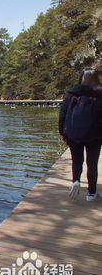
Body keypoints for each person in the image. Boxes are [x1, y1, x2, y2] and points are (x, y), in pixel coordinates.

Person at [59, 69, 102, 201]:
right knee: (92, 163)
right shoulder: (99, 95)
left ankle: (76, 181)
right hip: (94, 135)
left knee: (77, 160)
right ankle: (91, 193)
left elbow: (62, 115)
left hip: (73, 134)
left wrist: (63, 132)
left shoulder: (71, 93)